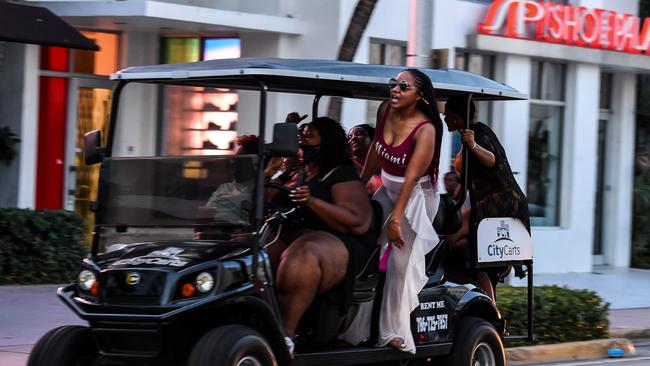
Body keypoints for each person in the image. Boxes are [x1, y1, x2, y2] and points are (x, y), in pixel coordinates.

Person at [266, 117, 376, 354]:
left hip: (340, 242)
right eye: (301, 133)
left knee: (303, 253)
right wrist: (271, 168)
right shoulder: (296, 172)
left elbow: (358, 221)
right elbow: (263, 199)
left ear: (326, 141)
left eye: (310, 133)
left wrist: (312, 201)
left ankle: (285, 336)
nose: (303, 136)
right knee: (256, 250)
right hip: (292, 235)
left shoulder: (340, 173)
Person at [360, 69, 443, 353]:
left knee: (399, 263)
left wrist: (396, 218)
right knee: (363, 239)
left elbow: (410, 179)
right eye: (394, 83)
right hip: (388, 187)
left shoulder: (426, 129)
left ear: (419, 96)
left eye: (404, 86)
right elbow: (374, 150)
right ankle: (357, 323)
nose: (395, 89)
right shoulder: (385, 109)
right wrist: (359, 185)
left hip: (416, 197)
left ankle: (394, 332)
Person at [443, 96, 530, 301]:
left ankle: (490, 309)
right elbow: (464, 184)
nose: (445, 117)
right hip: (486, 204)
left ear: (457, 117)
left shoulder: (479, 133)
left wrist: (473, 145)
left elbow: (493, 160)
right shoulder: (466, 139)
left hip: (501, 204)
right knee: (458, 245)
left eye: (448, 114)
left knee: (458, 242)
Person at [348, 124, 382, 195]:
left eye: (358, 134)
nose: (353, 138)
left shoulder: (385, 162)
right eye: (349, 137)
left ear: (372, 138)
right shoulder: (347, 165)